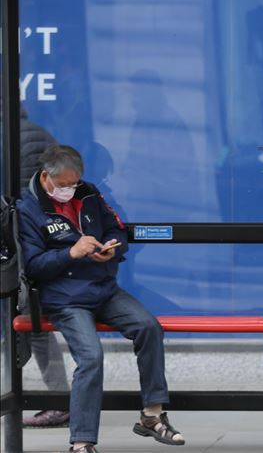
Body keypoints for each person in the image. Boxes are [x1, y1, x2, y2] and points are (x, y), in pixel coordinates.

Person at [16, 145, 186, 453]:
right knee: (91, 357)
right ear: (45, 176)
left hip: (103, 288)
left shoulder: (90, 194)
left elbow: (116, 229)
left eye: (74, 183)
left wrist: (112, 247)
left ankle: (152, 415)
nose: (69, 189)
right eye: (63, 184)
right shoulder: (28, 209)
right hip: (65, 298)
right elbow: (33, 266)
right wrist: (71, 253)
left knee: (148, 327)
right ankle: (82, 442)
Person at [18, 108, 72, 429]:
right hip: (43, 240)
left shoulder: (10, 136)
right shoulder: (37, 131)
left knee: (33, 323)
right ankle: (58, 398)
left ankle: (57, 401)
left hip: (22, 244)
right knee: (34, 323)